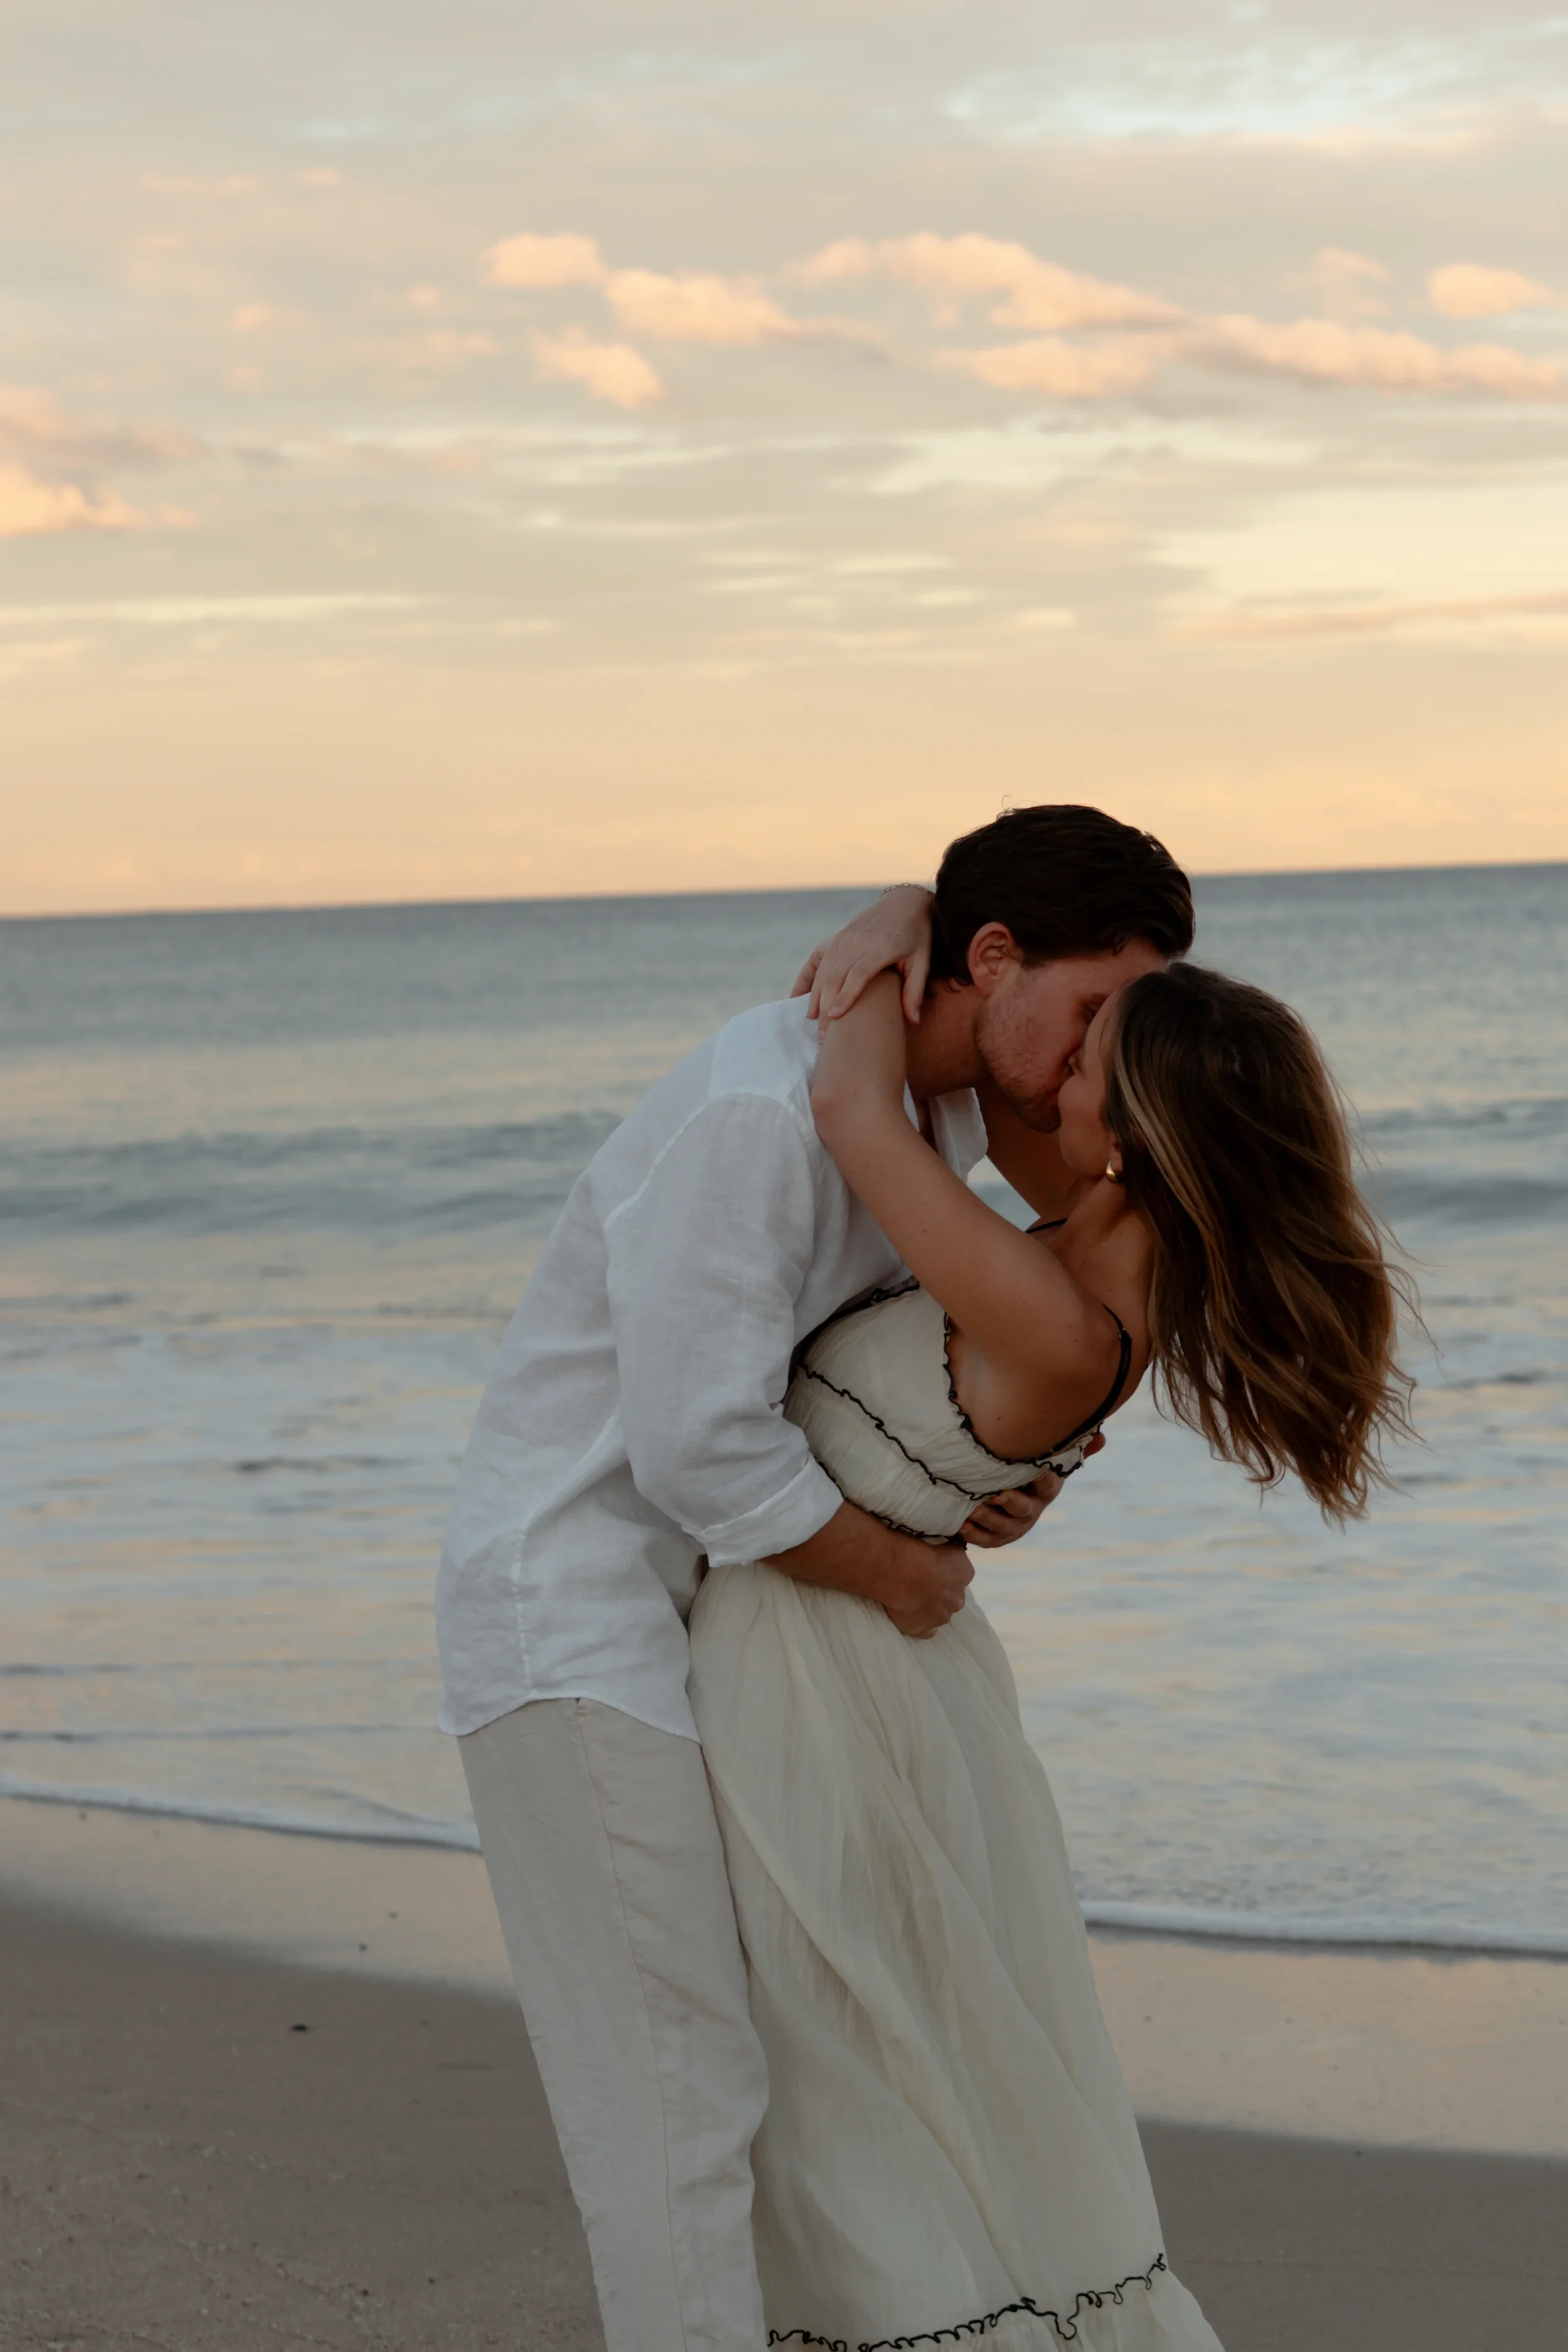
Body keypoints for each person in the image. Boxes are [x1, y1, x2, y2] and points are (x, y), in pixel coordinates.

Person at [435, 805, 1195, 2352]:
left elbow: (1048, 1274)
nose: (1100, 1057)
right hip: (575, 1623)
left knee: (770, 2073)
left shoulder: (940, 1106)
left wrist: (988, 1463)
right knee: (674, 2098)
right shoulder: (764, 1114)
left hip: (710, 1620)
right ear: (993, 959)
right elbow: (696, 1447)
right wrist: (898, 1571)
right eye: (1092, 1008)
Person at [688, 943, 1413, 2352]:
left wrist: (901, 921)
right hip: (872, 1672)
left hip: (829, 1679)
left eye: (1084, 1056)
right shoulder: (1086, 1235)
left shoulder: (1059, 1310)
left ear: (1131, 1131)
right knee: (894, 2076)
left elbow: (850, 1109)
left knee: (854, 2092)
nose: (1049, 1071)